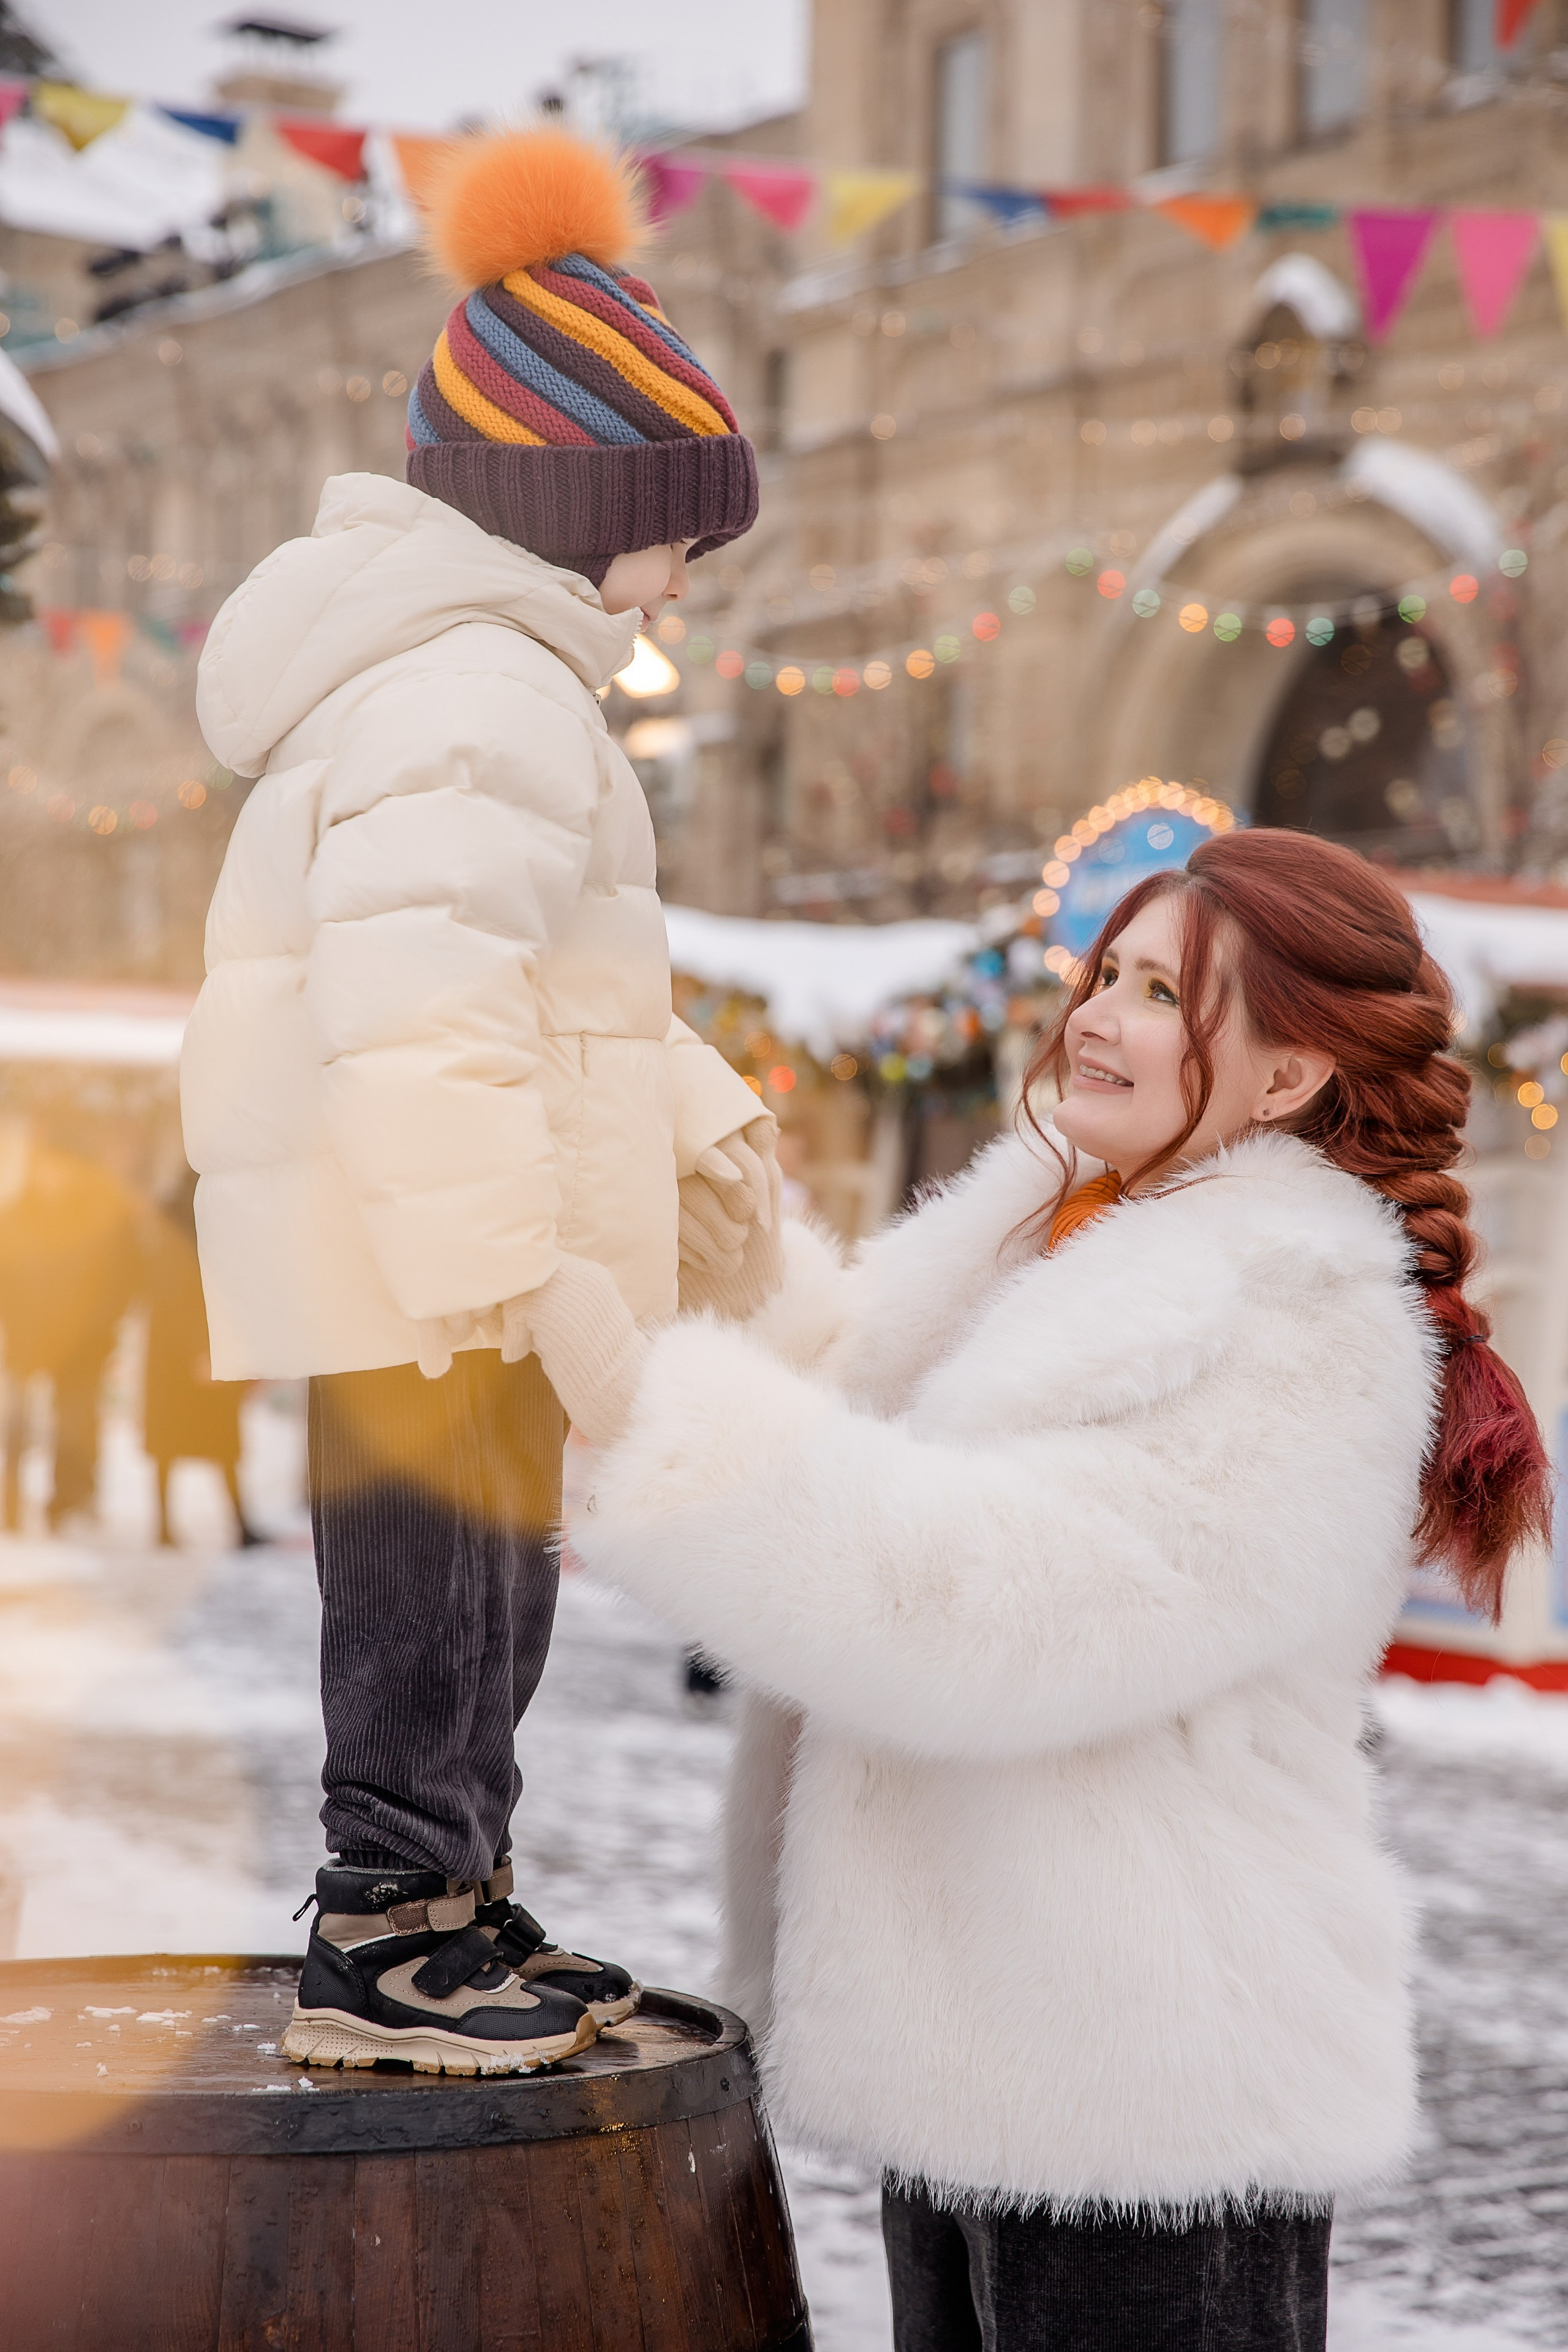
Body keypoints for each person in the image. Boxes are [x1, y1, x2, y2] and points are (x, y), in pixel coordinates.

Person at [545, 829, 1549, 2350]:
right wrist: (731, 1268)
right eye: (1106, 973)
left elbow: (992, 1607)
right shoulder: (1059, 1221)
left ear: (1286, 1077)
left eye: (1162, 995)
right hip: (969, 2042)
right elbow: (859, 1403)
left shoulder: (1294, 1313)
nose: (1095, 1016)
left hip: (1150, 2087)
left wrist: (654, 1414)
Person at [180, 126, 778, 2078]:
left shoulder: (493, 679)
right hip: (427, 1264)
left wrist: (693, 1109)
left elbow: (543, 977)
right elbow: (422, 1006)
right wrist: (505, 1262)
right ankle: (390, 1932)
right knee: (429, 1616)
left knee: (480, 1607)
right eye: (677, 531)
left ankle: (456, 1897)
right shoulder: (478, 692)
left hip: (436, 1256)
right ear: (580, 502)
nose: (683, 579)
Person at [138, 1174, 262, 1548]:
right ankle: (235, 1525)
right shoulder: (189, 1228)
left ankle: (173, 1525)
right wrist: (200, 1350)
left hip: (173, 1348)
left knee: (181, 1441)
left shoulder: (170, 1223)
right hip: (193, 1348)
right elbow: (182, 1291)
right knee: (213, 1438)